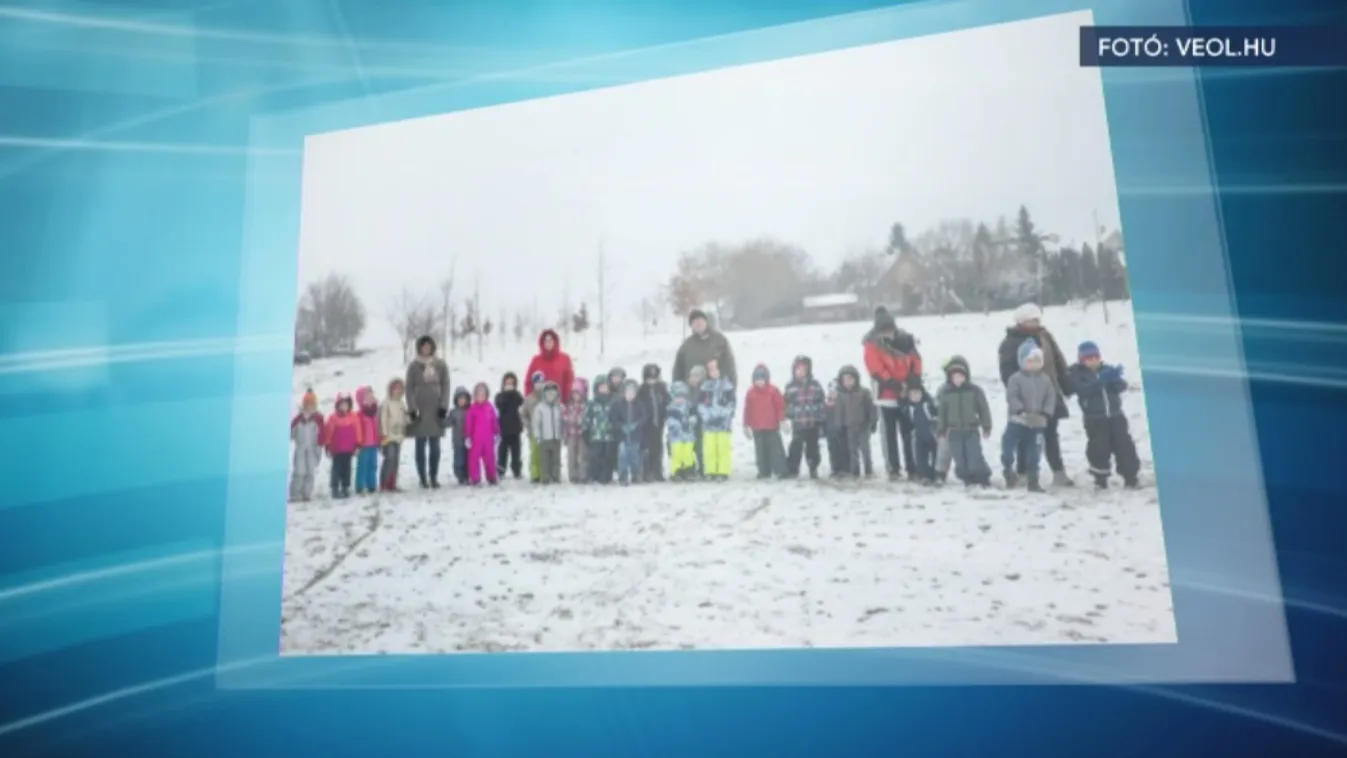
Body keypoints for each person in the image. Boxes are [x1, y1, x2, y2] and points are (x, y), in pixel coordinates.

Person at [997, 303, 1075, 487]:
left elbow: (1058, 361)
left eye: (1036, 319)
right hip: (1026, 399)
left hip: (1049, 392)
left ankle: (1058, 471)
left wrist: (1066, 385)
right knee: (1025, 437)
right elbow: (1006, 371)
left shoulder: (1045, 336)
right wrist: (1016, 396)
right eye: (1031, 320)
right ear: (1021, 321)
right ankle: (1023, 473)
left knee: (1051, 435)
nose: (1035, 322)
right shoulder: (1011, 342)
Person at [1068, 341, 1141, 489]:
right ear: (1081, 360)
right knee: (1099, 448)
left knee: (1124, 446)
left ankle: (1130, 476)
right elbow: (1083, 390)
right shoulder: (1077, 373)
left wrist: (1115, 380)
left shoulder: (1106, 369)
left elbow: (1122, 387)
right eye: (1089, 359)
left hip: (1115, 416)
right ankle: (1100, 478)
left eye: (1096, 357)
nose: (1093, 361)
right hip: (1095, 419)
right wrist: (1100, 382)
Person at [862, 307, 923, 481]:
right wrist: (892, 383)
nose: (888, 333)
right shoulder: (871, 344)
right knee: (889, 434)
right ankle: (893, 468)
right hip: (885, 393)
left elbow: (915, 361)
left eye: (890, 329)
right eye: (884, 330)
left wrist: (913, 381)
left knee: (908, 432)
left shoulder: (905, 339)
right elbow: (875, 368)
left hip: (905, 392)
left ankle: (912, 466)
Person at [1002, 339, 1057, 493]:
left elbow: (1050, 396)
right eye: (1029, 361)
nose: (1033, 364)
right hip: (1017, 421)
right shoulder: (1015, 379)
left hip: (1037, 423)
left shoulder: (1045, 379)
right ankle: (1008, 470)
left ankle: (1033, 480)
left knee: (1034, 452)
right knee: (1008, 448)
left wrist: (1047, 412)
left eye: (1036, 361)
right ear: (1022, 361)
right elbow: (1012, 396)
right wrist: (1019, 410)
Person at [935, 355, 993, 487]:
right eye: (954, 376)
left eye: (961, 375)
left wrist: (986, 426)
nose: (958, 379)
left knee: (974, 456)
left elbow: (983, 409)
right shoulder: (946, 393)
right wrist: (941, 429)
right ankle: (967, 478)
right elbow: (942, 413)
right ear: (949, 377)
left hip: (971, 430)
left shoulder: (974, 391)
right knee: (960, 460)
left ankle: (983, 476)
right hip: (954, 431)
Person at [405, 335, 451, 489]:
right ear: (419, 348)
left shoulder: (440, 365)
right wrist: (412, 408)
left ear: (432, 348)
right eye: (423, 346)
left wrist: (444, 405)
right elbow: (409, 388)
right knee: (420, 445)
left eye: (428, 346)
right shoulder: (413, 366)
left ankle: (433, 476)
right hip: (420, 410)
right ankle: (422, 477)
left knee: (435, 446)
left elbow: (446, 385)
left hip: (435, 410)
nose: (426, 349)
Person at [782, 355, 825, 479]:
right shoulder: (790, 387)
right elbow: (786, 404)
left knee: (813, 446)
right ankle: (792, 469)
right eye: (798, 369)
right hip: (798, 422)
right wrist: (790, 412)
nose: (800, 372)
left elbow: (821, 402)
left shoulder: (815, 385)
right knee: (796, 446)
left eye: (803, 369)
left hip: (812, 422)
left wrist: (820, 416)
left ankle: (813, 466)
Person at [673, 309, 738, 387]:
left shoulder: (720, 340)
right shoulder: (687, 345)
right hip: (693, 392)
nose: (698, 323)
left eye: (700, 320)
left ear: (706, 322)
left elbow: (730, 365)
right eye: (695, 322)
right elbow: (678, 370)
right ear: (691, 326)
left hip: (716, 390)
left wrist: (725, 378)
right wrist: (680, 386)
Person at [743, 364, 787, 479]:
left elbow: (779, 407)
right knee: (760, 451)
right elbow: (747, 409)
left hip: (771, 427)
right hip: (757, 427)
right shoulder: (750, 393)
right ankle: (763, 471)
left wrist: (781, 420)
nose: (760, 382)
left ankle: (780, 470)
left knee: (775, 450)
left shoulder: (773, 391)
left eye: (762, 379)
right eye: (757, 379)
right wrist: (746, 424)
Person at [835, 366, 878, 478]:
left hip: (863, 426)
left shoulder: (864, 392)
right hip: (849, 426)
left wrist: (873, 421)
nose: (848, 382)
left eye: (850, 379)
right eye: (845, 380)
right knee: (852, 450)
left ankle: (868, 470)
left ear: (856, 379)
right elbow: (839, 411)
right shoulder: (840, 395)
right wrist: (838, 425)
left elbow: (871, 408)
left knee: (865, 449)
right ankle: (855, 471)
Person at [697, 358, 736, 481]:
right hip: (709, 423)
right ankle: (711, 470)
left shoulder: (727, 386)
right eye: (711, 370)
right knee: (710, 448)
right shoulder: (705, 387)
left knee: (722, 447)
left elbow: (732, 404)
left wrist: (723, 414)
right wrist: (706, 415)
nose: (713, 372)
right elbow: (700, 403)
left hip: (723, 423)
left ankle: (723, 470)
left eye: (715, 369)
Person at [609, 378, 650, 486]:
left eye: (633, 392)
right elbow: (614, 418)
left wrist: (636, 425)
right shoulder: (618, 404)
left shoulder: (639, 404)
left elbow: (644, 416)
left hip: (635, 436)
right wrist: (620, 426)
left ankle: (635, 474)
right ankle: (623, 475)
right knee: (623, 456)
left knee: (635, 456)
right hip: (622, 436)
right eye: (628, 392)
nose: (630, 395)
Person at [635, 364, 671, 482]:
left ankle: (657, 471)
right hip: (646, 423)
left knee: (658, 447)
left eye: (654, 378)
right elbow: (639, 405)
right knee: (646, 448)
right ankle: (647, 472)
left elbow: (666, 402)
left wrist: (665, 414)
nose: (652, 381)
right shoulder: (641, 390)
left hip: (659, 421)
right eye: (649, 378)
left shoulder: (662, 388)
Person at [323, 392, 361, 498]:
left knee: (347, 469)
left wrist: (358, 445)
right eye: (342, 404)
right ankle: (335, 487)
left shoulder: (353, 417)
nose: (344, 407)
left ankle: (345, 487)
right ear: (337, 405)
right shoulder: (333, 418)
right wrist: (328, 445)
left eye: (346, 404)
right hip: (337, 449)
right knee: (336, 469)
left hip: (348, 450)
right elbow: (328, 432)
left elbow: (358, 432)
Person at [288, 390, 324, 502]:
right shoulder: (298, 420)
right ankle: (295, 493)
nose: (309, 407)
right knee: (299, 471)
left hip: (312, 449)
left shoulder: (318, 420)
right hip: (301, 449)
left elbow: (322, 436)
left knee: (310, 472)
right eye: (307, 404)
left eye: (312, 405)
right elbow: (291, 433)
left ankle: (306, 494)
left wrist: (319, 449)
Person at [524, 329, 575, 403]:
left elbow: (569, 382)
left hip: (558, 404)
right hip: (539, 404)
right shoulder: (536, 360)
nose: (548, 343)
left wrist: (566, 401)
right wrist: (529, 402)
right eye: (546, 341)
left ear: (555, 342)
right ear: (542, 343)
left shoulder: (564, 359)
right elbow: (528, 383)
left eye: (551, 340)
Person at [463, 382, 500, 486]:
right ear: (475, 396)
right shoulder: (472, 409)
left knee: (490, 458)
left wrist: (497, 432)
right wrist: (468, 437)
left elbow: (494, 421)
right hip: (476, 440)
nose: (480, 397)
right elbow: (469, 424)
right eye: (478, 395)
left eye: (482, 395)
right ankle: (475, 478)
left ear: (486, 395)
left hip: (488, 439)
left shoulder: (489, 407)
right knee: (474, 459)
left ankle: (491, 477)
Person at [583, 374, 617, 484]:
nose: (604, 389)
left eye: (606, 387)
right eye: (601, 387)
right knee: (596, 456)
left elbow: (617, 416)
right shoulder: (592, 403)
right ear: (597, 388)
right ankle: (594, 475)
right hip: (596, 435)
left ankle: (606, 476)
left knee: (608, 456)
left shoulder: (613, 402)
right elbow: (587, 417)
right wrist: (585, 430)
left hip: (609, 435)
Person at [904, 383, 939, 485]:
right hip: (919, 435)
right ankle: (924, 475)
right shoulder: (909, 408)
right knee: (920, 456)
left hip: (931, 433)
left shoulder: (928, 405)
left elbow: (936, 414)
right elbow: (909, 422)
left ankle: (936, 475)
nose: (915, 397)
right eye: (912, 395)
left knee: (936, 455)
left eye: (917, 394)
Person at [531, 381, 565, 485]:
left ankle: (555, 475)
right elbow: (536, 424)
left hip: (556, 438)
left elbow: (563, 422)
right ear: (544, 395)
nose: (550, 396)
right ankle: (545, 476)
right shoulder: (540, 408)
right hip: (545, 438)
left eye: (553, 394)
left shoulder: (560, 407)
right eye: (548, 394)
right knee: (544, 459)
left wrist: (563, 434)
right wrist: (537, 436)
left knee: (556, 459)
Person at [377, 379, 408, 492]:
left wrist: (411, 419)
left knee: (396, 460)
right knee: (389, 458)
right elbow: (383, 419)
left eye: (400, 389)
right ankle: (384, 483)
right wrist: (383, 434)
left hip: (398, 436)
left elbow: (405, 418)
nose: (397, 391)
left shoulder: (401, 404)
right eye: (395, 388)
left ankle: (392, 483)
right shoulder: (386, 403)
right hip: (388, 436)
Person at [665, 381, 699, 482]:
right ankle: (676, 471)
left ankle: (688, 470)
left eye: (682, 397)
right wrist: (679, 425)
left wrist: (690, 422)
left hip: (688, 435)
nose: (679, 399)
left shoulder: (689, 407)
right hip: (675, 436)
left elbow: (695, 417)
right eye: (677, 397)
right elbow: (670, 421)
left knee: (688, 453)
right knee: (676, 453)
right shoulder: (671, 408)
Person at [494, 372, 525, 479]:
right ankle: (501, 470)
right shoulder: (500, 396)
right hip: (503, 429)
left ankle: (517, 470)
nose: (509, 385)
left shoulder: (517, 395)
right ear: (503, 384)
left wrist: (513, 393)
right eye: (507, 383)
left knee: (516, 452)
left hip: (515, 429)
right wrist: (506, 394)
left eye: (512, 383)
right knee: (502, 452)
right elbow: (499, 404)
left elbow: (521, 403)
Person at [354, 387, 381, 495]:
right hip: (363, 445)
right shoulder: (359, 415)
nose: (370, 399)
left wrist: (379, 440)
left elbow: (378, 427)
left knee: (373, 465)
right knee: (362, 465)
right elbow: (357, 430)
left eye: (371, 396)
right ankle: (360, 485)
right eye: (367, 397)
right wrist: (357, 444)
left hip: (374, 444)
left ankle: (372, 485)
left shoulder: (375, 413)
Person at [562, 377, 590, 484]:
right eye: (574, 394)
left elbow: (587, 419)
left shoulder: (585, 406)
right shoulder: (569, 406)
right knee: (571, 455)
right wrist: (565, 435)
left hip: (582, 434)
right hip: (571, 434)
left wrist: (582, 422)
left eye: (578, 394)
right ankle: (573, 475)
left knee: (583, 455)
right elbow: (565, 419)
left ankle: (583, 474)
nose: (576, 396)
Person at [521, 370, 547, 483]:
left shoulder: (548, 397)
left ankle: (544, 473)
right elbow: (523, 414)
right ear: (533, 384)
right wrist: (527, 424)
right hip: (533, 432)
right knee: (534, 453)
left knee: (545, 453)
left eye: (542, 382)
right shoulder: (529, 399)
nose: (539, 385)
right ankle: (535, 474)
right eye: (537, 383)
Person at [685, 364, 708, 477]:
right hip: (689, 421)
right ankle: (690, 467)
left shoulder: (705, 389)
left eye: (696, 376)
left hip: (701, 421)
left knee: (701, 446)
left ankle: (703, 467)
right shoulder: (686, 390)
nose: (693, 378)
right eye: (692, 376)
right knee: (690, 446)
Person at [446, 386, 471, 485]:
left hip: (469, 440)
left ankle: (467, 475)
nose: (462, 401)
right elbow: (447, 423)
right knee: (459, 459)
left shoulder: (470, 410)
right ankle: (460, 475)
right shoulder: (454, 412)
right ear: (456, 400)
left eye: (464, 399)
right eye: (459, 399)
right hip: (457, 441)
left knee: (468, 458)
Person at [823, 379, 847, 478]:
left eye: (835, 390)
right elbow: (823, 417)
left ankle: (845, 468)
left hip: (842, 431)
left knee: (844, 449)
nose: (833, 392)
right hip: (830, 432)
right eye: (831, 390)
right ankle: (835, 468)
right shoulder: (826, 403)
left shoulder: (842, 402)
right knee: (832, 451)